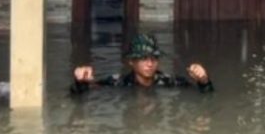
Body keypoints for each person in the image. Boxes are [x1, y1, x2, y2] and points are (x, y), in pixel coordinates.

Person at [71, 32, 213, 94]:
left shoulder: (170, 82)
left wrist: (203, 80)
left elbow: (207, 96)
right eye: (144, 58)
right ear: (132, 61)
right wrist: (80, 81)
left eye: (154, 58)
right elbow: (83, 93)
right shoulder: (117, 82)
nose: (150, 63)